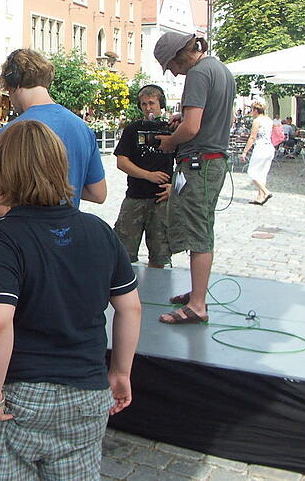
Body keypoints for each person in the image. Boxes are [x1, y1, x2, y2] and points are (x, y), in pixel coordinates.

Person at [0, 119, 142, 480]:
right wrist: (120, 372)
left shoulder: (2, 237)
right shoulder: (100, 231)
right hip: (86, 393)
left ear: (4, 172)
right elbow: (130, 307)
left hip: (17, 394)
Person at [152, 32, 235, 325]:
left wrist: (170, 141)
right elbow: (219, 118)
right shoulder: (220, 69)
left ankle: (198, 304)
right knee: (202, 225)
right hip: (214, 161)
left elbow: (192, 128)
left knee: (197, 232)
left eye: (170, 66)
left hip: (199, 163)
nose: (173, 72)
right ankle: (196, 292)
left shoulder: (198, 74)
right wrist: (183, 119)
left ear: (180, 55)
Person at [0, 48, 107, 215]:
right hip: (68, 233)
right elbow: (98, 194)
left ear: (14, 84)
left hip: (25, 235)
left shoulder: (13, 131)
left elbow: (1, 206)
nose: (11, 101)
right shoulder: (82, 127)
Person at [113, 84, 175, 268]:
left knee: (160, 252)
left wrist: (174, 187)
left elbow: (184, 163)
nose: (148, 108)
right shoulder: (132, 130)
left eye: (152, 103)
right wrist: (148, 175)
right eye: (144, 104)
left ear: (160, 104)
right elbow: (122, 161)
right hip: (135, 196)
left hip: (161, 199)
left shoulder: (171, 129)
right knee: (123, 249)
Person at [241, 102, 275, 205]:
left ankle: (266, 192)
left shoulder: (257, 121)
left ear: (256, 110)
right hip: (269, 147)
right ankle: (260, 197)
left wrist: (244, 152)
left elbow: (252, 137)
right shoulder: (269, 120)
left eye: (252, 110)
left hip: (260, 148)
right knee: (262, 173)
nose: (251, 112)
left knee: (252, 172)